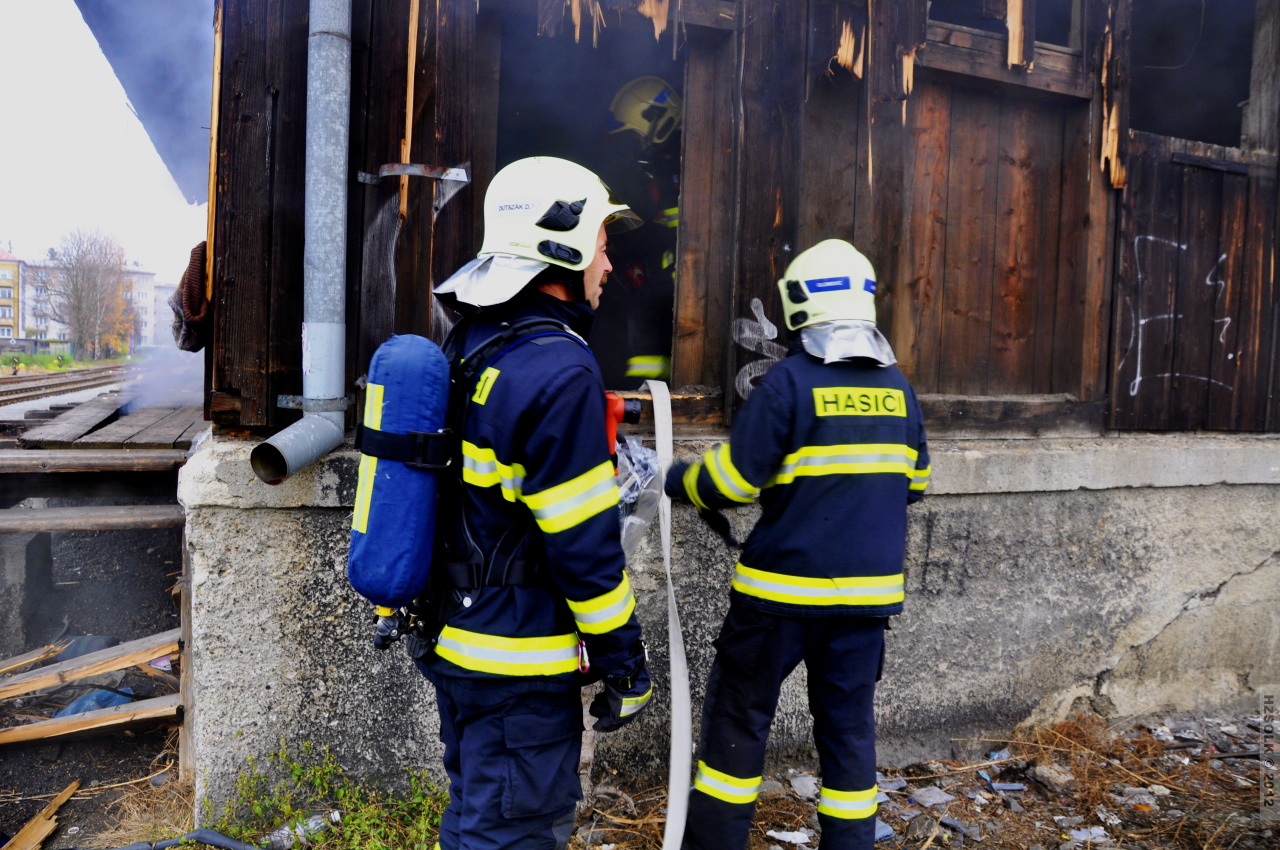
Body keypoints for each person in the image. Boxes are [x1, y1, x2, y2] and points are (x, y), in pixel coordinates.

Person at [420, 156, 654, 850]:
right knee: (514, 833)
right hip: (518, 667)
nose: (609, 266)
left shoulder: (471, 343)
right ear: (566, 241)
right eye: (604, 244)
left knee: (475, 817)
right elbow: (582, 548)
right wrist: (625, 666)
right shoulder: (559, 365)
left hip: (458, 643)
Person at [664, 239, 931, 850]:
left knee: (739, 723)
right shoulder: (900, 391)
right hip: (865, 609)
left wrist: (672, 476)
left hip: (776, 602)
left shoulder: (787, 384)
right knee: (848, 734)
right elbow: (913, 486)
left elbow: (730, 485)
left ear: (797, 303)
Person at [603, 76, 682, 384]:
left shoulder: (675, 163)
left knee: (648, 316)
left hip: (677, 277)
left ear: (658, 123)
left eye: (634, 136)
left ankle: (649, 397)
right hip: (661, 273)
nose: (634, 145)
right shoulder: (655, 166)